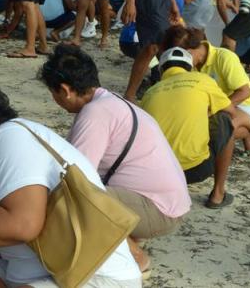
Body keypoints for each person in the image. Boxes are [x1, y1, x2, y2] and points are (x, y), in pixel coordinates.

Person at [0, 73, 141, 287]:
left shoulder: (11, 137)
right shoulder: (6, 148)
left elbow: (21, 225)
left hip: (90, 275)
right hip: (35, 267)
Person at [40, 45, 191, 275]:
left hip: (159, 211)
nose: (55, 100)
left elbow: (74, 176)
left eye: (54, 94)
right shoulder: (112, 101)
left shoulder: (95, 113)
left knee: (71, 198)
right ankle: (126, 237)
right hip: (169, 203)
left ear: (64, 90)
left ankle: (136, 258)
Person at [141, 47, 238, 209]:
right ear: (190, 67)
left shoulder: (150, 93)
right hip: (196, 170)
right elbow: (231, 111)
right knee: (224, 119)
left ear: (162, 69)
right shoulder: (202, 79)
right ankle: (218, 194)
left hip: (157, 172)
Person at [163, 26, 250, 155]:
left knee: (219, 132)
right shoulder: (190, 65)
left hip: (247, 105)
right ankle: (247, 130)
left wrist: (214, 109)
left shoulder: (224, 57)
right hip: (219, 107)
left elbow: (244, 92)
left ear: (189, 52)